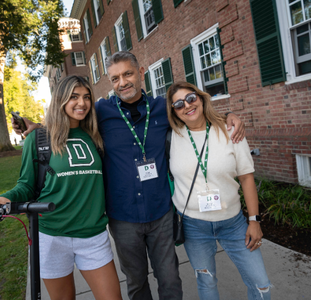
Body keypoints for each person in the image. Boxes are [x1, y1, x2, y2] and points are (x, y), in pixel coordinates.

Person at [14, 51, 245, 300]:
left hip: (160, 212)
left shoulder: (162, 108)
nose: (122, 82)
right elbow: (70, 119)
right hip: (122, 216)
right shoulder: (101, 111)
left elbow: (193, 114)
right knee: (135, 281)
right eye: (115, 78)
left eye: (127, 74)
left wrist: (227, 116)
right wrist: (38, 126)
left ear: (140, 72)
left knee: (169, 278)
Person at [0, 75, 122, 300]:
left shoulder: (96, 135)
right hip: (51, 236)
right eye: (74, 97)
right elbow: (26, 185)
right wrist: (5, 197)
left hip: (92, 235)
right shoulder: (38, 139)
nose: (82, 103)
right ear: (60, 99)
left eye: (86, 97)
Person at [166, 81, 271, 300]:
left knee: (261, 284)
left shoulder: (229, 130)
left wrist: (254, 220)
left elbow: (246, 177)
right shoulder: (171, 136)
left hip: (233, 223)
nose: (186, 105)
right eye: (178, 104)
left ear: (201, 98)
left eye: (191, 98)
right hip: (193, 225)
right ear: (173, 111)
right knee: (206, 282)